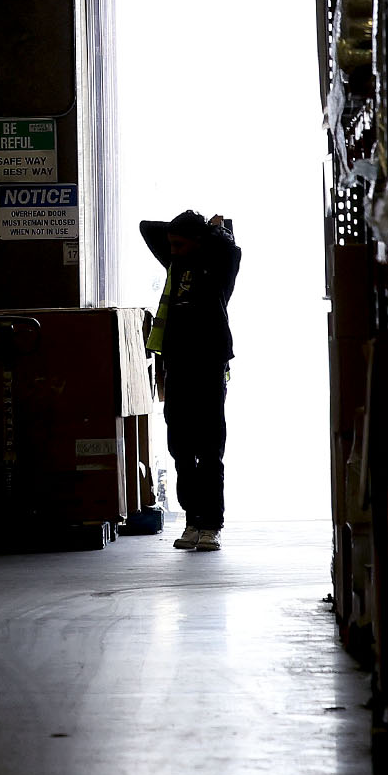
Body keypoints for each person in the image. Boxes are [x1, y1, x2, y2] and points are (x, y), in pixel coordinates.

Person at [140, 209, 241, 552]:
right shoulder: (176, 261)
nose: (174, 250)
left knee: (210, 450)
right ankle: (191, 520)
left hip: (209, 365)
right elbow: (147, 228)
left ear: (198, 242)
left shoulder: (219, 265)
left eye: (181, 244)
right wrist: (189, 232)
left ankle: (211, 524)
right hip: (178, 365)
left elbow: (231, 249)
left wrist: (215, 232)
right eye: (173, 244)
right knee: (181, 449)